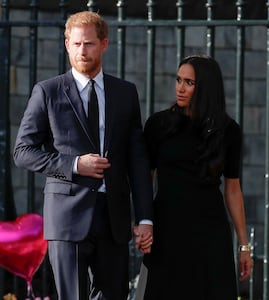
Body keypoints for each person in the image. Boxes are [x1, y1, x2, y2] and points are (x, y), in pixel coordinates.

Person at [14, 11, 153, 300]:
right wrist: (75, 164)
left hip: (113, 219)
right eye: (76, 44)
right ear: (67, 44)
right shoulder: (48, 92)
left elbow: (137, 161)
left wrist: (144, 218)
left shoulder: (125, 93)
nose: (82, 51)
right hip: (67, 219)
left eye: (89, 44)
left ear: (104, 44)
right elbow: (23, 152)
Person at [136, 54, 253, 299]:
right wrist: (143, 222)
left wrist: (243, 245)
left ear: (206, 88)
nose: (180, 87)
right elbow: (145, 180)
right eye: (178, 80)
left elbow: (233, 189)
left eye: (189, 82)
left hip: (209, 232)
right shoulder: (158, 124)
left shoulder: (228, 131)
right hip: (167, 227)